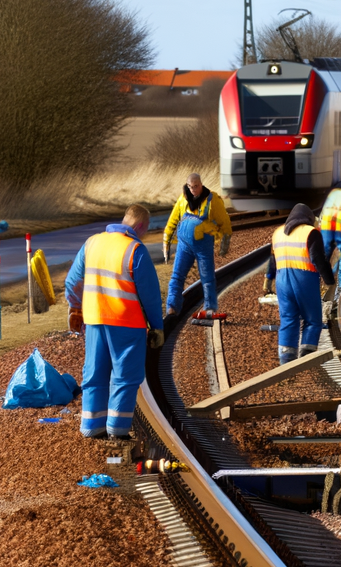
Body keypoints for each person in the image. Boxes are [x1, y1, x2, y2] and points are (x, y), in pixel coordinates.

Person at [65, 204, 164, 439]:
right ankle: (117, 430)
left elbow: (73, 281)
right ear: (140, 225)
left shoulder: (92, 243)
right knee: (124, 377)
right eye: (146, 228)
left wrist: (76, 309)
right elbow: (150, 294)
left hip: (94, 320)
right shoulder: (135, 250)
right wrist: (157, 326)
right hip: (126, 322)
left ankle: (91, 426)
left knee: (95, 373)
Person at [267, 203, 336, 363]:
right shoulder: (310, 233)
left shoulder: (278, 233)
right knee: (312, 320)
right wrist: (329, 281)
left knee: (288, 319)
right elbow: (318, 259)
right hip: (304, 280)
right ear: (308, 219)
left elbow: (272, 260)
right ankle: (305, 359)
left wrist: (268, 279)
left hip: (282, 280)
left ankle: (286, 359)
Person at [164, 172, 233, 321]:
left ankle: (209, 307)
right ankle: (172, 307)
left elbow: (225, 222)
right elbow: (173, 220)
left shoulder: (212, 200)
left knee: (207, 277)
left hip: (203, 244)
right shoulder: (183, 199)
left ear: (201, 184)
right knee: (177, 275)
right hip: (184, 245)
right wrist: (166, 242)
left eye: (196, 186)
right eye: (191, 187)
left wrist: (224, 243)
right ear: (187, 186)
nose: (194, 189)